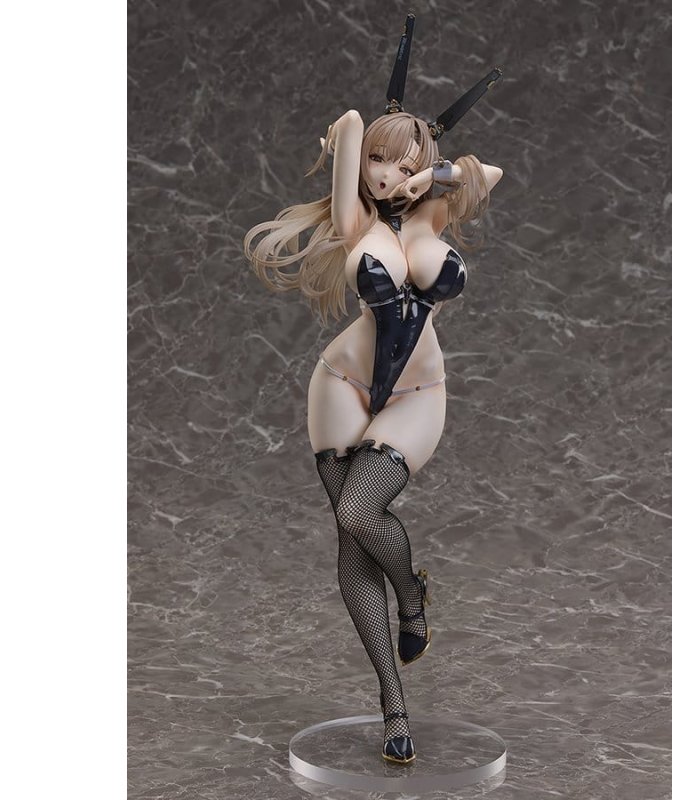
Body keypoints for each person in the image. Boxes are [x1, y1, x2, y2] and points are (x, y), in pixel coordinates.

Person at [243, 15, 503, 765]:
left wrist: (433, 175)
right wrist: (370, 134)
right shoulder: (357, 218)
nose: (386, 174)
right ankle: (395, 705)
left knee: (361, 512)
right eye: (380, 162)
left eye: (399, 165)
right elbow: (354, 127)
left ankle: (412, 597)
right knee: (350, 535)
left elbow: (489, 174)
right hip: (344, 385)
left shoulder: (435, 211)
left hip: (418, 394)